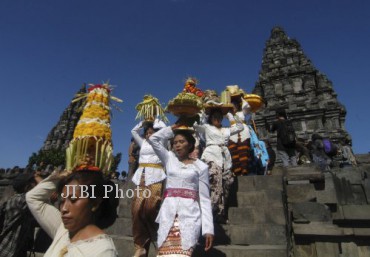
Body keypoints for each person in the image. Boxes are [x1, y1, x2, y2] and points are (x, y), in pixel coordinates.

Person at [148, 125, 214, 256]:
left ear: (190, 145)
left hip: (190, 216)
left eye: (181, 141)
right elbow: (153, 139)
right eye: (175, 142)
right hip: (168, 214)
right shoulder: (169, 159)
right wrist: (172, 129)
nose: (177, 145)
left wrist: (208, 229)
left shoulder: (201, 167)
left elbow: (205, 199)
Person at [26, 168, 119, 257]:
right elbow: (32, 198)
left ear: (95, 203)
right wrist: (59, 178)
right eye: (62, 201)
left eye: (73, 199)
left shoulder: (103, 251)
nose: (64, 208)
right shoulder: (63, 230)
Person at [194, 109, 243, 224]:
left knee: (227, 183)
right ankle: (207, 213)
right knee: (215, 183)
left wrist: (230, 116)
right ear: (211, 118)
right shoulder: (207, 127)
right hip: (211, 156)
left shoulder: (226, 130)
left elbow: (240, 127)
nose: (217, 119)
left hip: (225, 159)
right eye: (214, 117)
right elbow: (196, 126)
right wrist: (204, 114)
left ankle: (219, 213)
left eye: (219, 117)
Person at [131, 119, 167, 257]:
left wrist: (155, 120)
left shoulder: (160, 142)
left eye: (151, 132)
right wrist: (143, 122)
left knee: (150, 207)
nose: (148, 135)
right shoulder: (143, 143)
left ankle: (156, 237)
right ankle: (140, 245)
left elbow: (165, 130)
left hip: (156, 177)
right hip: (141, 177)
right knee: (136, 209)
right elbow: (133, 132)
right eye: (146, 133)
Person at [0, 173, 38, 257]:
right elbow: (39, 193)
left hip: (16, 251)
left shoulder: (23, 203)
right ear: (27, 187)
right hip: (7, 252)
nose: (36, 185)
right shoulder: (19, 200)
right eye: (34, 183)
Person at [228, 97, 252, 175]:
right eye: (231, 105)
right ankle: (237, 171)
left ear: (238, 106)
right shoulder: (228, 114)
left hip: (243, 132)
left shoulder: (242, 112)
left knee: (243, 152)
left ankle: (244, 171)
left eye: (234, 105)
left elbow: (247, 106)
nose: (233, 106)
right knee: (233, 151)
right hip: (233, 133)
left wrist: (241, 97)